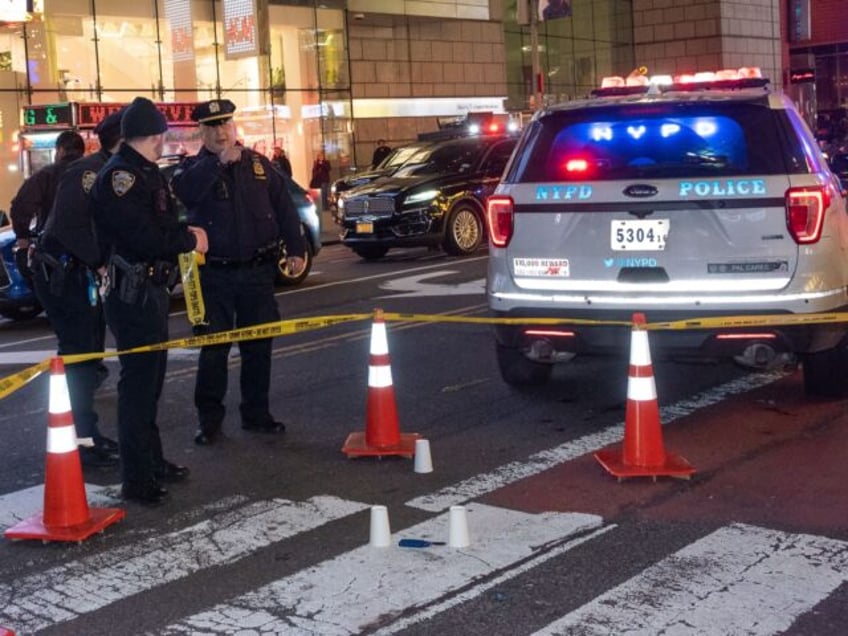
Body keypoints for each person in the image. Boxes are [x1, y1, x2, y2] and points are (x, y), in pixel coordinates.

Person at [91, 96, 209, 505]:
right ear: (154, 135)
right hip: (132, 292)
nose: (165, 141)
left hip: (150, 290)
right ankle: (137, 478)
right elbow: (143, 236)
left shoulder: (142, 172)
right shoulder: (120, 178)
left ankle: (152, 462)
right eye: (162, 134)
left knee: (150, 383)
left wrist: (182, 231)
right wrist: (188, 239)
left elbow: (165, 218)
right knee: (139, 386)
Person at [170, 99, 305, 446]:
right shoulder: (192, 169)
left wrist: (297, 248)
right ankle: (210, 422)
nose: (220, 132)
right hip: (213, 276)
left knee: (258, 347)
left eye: (225, 125)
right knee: (214, 350)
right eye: (212, 127)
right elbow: (184, 191)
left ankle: (256, 414)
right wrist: (217, 164)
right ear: (201, 131)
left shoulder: (258, 165)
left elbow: (284, 206)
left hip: (258, 272)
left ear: (233, 126)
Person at [32, 111, 124, 469]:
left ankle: (86, 434)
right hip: (65, 277)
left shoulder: (107, 170)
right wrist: (100, 262)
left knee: (88, 355)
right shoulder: (89, 173)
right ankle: (83, 439)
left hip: (76, 276)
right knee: (81, 357)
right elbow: (70, 228)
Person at [10, 130, 86, 278]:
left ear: (61, 150)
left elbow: (21, 205)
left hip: (54, 247)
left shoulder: (46, 175)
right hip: (91, 250)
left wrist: (23, 235)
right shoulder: (94, 171)